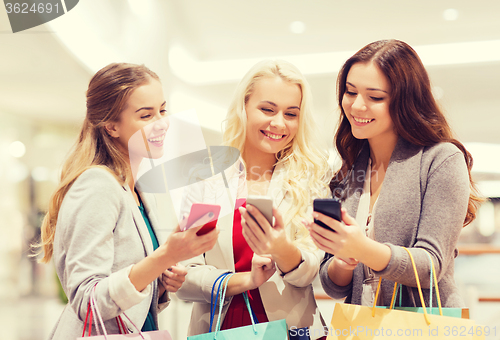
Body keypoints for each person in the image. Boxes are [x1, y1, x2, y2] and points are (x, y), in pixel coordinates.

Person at [38, 63, 218, 339]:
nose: (161, 122)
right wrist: (164, 256)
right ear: (111, 126)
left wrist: (164, 275)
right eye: (146, 115)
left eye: (162, 110)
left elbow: (130, 278)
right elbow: (87, 301)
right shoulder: (96, 185)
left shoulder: (136, 189)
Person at [305, 40, 482, 308]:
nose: (356, 106)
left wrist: (362, 248)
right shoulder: (351, 169)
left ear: (405, 101)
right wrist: (344, 259)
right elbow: (333, 286)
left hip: (426, 325)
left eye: (375, 97)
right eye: (350, 92)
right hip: (363, 325)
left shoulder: (441, 159)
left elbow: (430, 267)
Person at [176, 60, 330, 340]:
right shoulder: (207, 180)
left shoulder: (309, 182)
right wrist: (242, 281)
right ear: (244, 108)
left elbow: (310, 271)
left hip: (293, 332)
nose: (279, 123)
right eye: (267, 109)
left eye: (291, 113)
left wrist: (282, 250)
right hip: (221, 329)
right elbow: (185, 275)